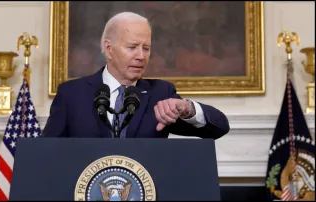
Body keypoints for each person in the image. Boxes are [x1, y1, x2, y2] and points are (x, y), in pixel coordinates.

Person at [41, 11, 230, 139]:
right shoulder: (71, 94)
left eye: (146, 48)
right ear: (109, 49)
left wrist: (187, 107)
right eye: (132, 47)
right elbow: (48, 152)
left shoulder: (161, 93)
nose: (141, 56)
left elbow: (219, 127)